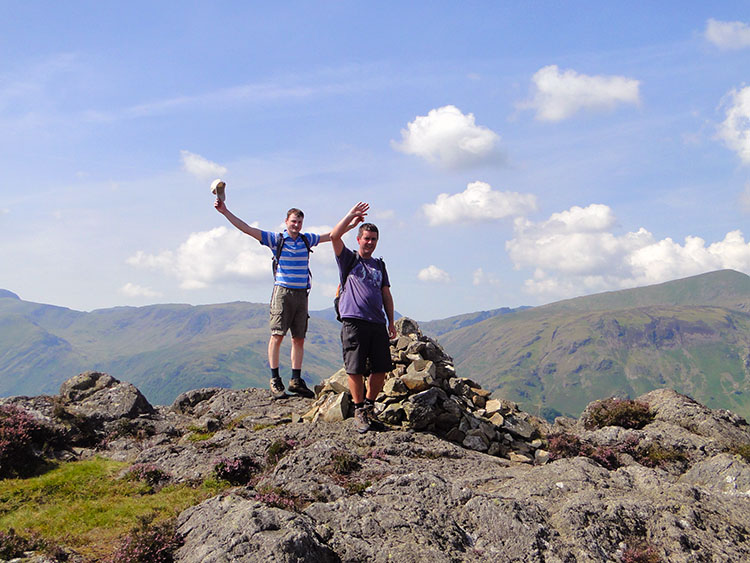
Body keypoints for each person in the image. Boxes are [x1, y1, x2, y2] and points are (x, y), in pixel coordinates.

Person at [215, 199, 346, 399]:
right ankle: (275, 379)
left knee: (299, 338)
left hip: (302, 293)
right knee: (277, 335)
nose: (296, 225)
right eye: (293, 221)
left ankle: (296, 379)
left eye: (299, 222)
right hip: (283, 292)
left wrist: (351, 221)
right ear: (286, 221)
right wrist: (225, 212)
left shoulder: (306, 239)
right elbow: (247, 229)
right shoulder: (277, 239)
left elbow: (332, 235)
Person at [330, 202, 396, 433]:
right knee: (355, 369)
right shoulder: (349, 259)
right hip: (353, 321)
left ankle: (368, 407)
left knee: (381, 369)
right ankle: (359, 410)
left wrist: (391, 321)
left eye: (374, 239)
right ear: (358, 239)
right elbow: (334, 235)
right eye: (366, 238)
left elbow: (386, 294)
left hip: (377, 323)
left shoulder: (380, 265)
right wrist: (350, 216)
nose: (370, 242)